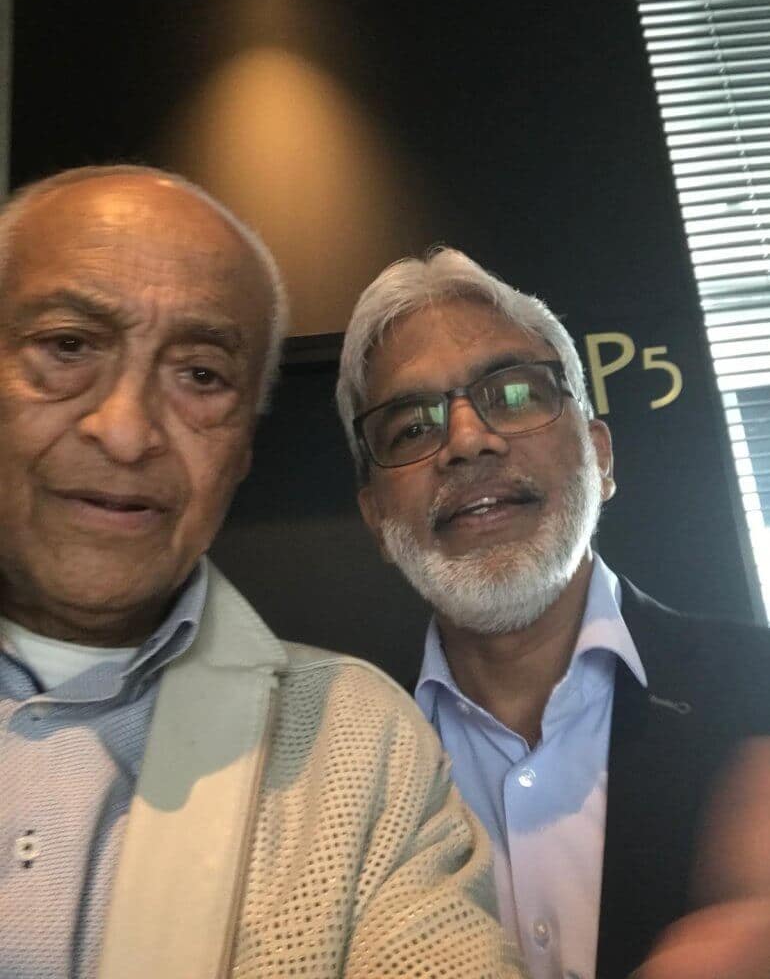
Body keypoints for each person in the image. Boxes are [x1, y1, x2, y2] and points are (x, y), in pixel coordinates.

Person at [0, 171, 521, 979]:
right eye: (68, 346)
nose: (127, 431)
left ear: (242, 448)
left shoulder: (358, 746)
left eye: (201, 375)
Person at [336, 247, 770, 979]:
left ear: (601, 457)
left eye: (513, 394)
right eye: (411, 427)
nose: (467, 441)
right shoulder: (340, 776)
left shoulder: (759, 687)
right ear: (376, 516)